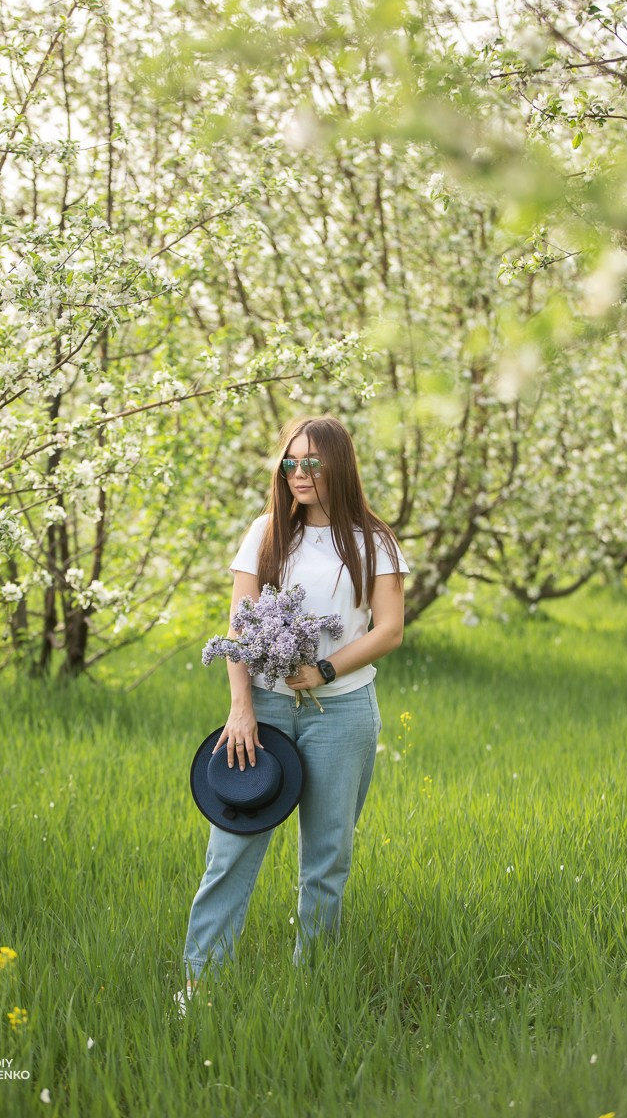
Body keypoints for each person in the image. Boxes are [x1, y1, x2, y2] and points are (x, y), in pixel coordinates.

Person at [180, 414, 410, 1001]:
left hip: (344, 714)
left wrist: (325, 669)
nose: (299, 474)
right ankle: (200, 987)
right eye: (291, 462)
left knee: (327, 859)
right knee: (229, 852)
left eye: (312, 463)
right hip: (265, 711)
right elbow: (238, 625)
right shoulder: (265, 533)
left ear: (339, 465)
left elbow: (389, 630)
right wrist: (241, 707)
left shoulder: (373, 541)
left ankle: (312, 988)